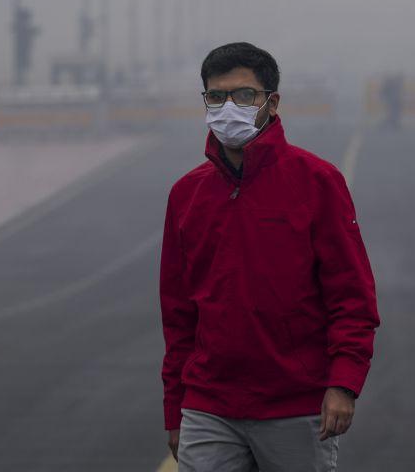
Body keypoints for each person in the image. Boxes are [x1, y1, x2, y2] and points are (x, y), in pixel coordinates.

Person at [161, 42, 380, 472]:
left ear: (272, 102)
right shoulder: (187, 195)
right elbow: (178, 314)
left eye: (243, 95)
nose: (228, 107)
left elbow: (352, 296)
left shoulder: (317, 182)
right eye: (216, 96)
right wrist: (176, 408)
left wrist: (343, 383)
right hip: (209, 406)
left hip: (296, 408)